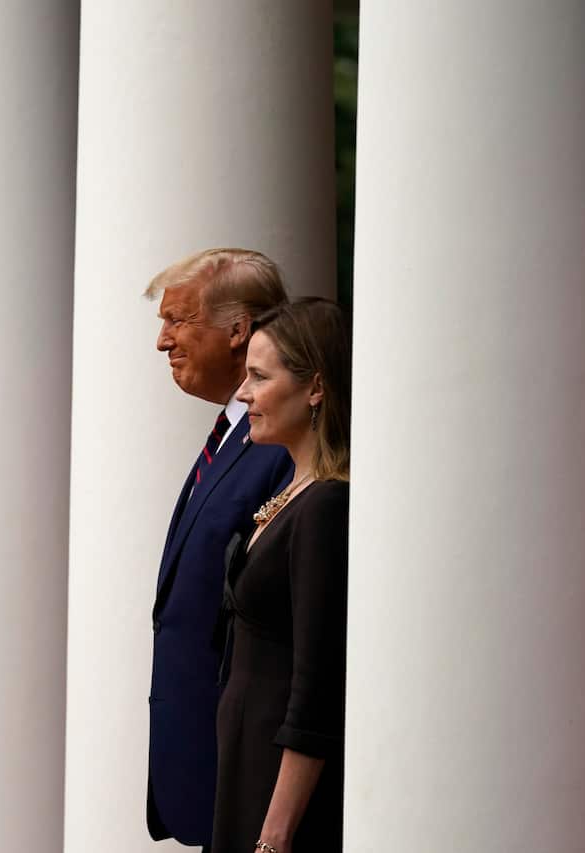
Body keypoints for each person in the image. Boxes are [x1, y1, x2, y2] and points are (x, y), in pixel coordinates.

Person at [145, 249, 295, 850]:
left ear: (238, 331)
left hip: (245, 768)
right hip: (205, 760)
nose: (163, 341)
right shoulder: (234, 433)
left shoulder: (279, 442)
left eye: (177, 320)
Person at [213, 297, 351, 853]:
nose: (243, 393)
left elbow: (316, 684)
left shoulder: (326, 506)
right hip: (247, 763)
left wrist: (276, 832)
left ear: (315, 387)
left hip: (279, 792)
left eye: (259, 377)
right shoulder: (292, 493)